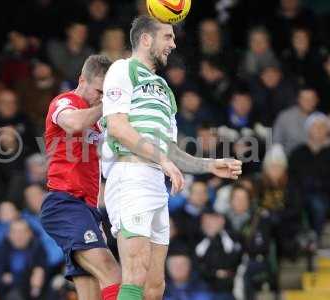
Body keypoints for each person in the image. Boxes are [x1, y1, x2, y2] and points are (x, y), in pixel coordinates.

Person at [101, 15, 242, 300]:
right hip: (131, 176)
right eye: (168, 37)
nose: (173, 44)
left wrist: (208, 165)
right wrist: (162, 160)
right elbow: (117, 127)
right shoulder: (122, 69)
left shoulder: (165, 90)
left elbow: (171, 150)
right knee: (135, 274)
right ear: (145, 39)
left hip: (155, 183)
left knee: (155, 287)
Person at [40, 55, 121, 300]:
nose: (101, 97)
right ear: (82, 80)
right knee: (112, 273)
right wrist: (108, 105)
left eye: (107, 93)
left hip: (86, 209)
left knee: (92, 292)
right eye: (99, 91)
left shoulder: (98, 122)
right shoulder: (66, 101)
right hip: (65, 203)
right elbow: (73, 123)